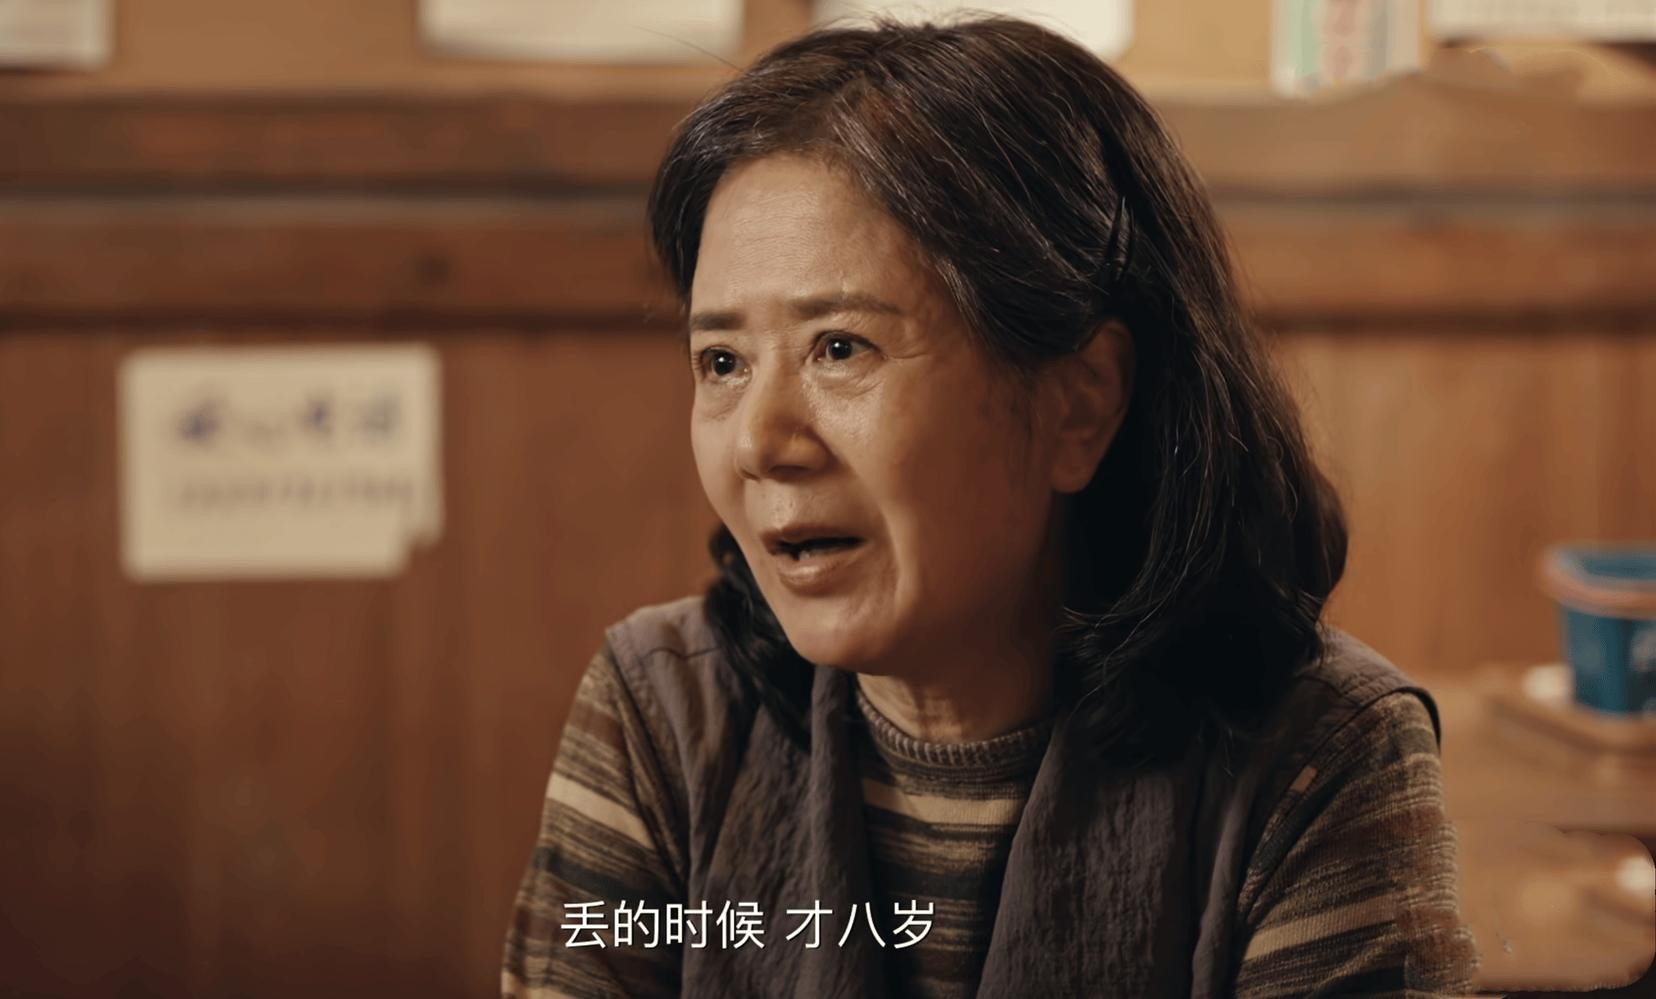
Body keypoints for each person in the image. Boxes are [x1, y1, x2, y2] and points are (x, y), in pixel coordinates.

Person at [502, 14, 1479, 999]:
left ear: (1079, 403)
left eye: (840, 348)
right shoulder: (663, 712)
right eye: (722, 362)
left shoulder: (1320, 759)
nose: (759, 441)